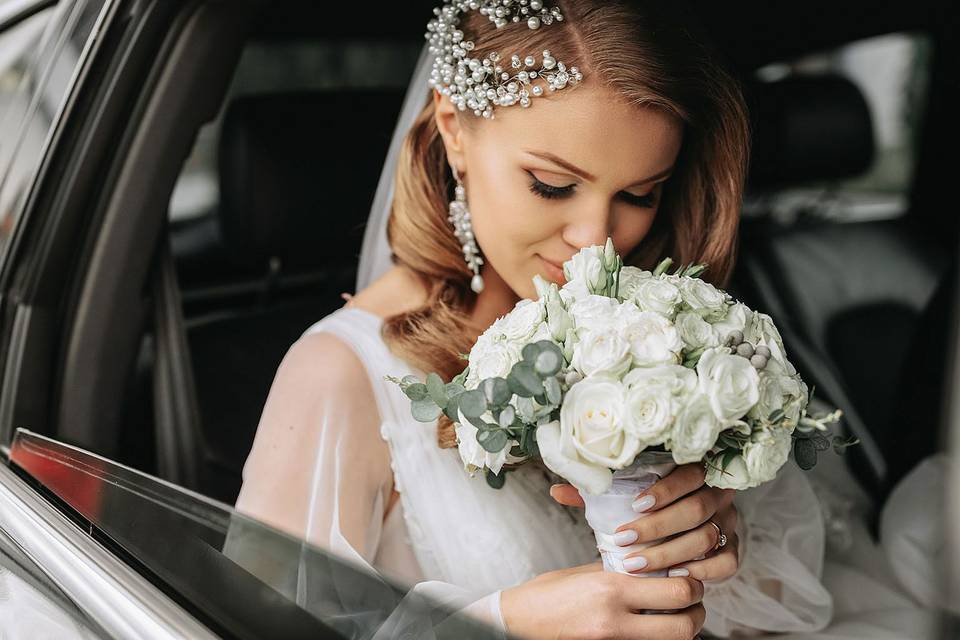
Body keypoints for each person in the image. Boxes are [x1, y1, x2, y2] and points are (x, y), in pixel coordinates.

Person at [232, 1, 942, 638]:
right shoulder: (338, 376)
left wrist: (722, 543)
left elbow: (777, 601)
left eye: (639, 194)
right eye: (552, 184)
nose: (599, 240)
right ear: (454, 131)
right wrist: (502, 626)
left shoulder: (662, 328)